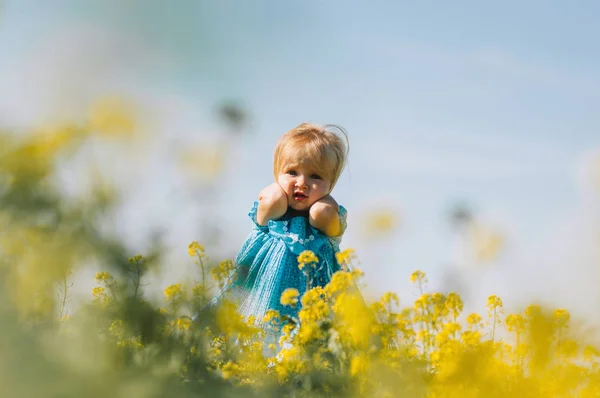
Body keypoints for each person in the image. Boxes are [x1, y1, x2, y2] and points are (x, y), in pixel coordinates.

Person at [205, 122, 349, 324]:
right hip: (264, 304)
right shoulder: (272, 210)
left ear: (330, 184)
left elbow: (323, 213)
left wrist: (323, 200)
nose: (302, 183)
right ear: (276, 175)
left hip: (313, 313)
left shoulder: (324, 217)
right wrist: (279, 189)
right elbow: (271, 199)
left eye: (315, 176)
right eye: (292, 172)